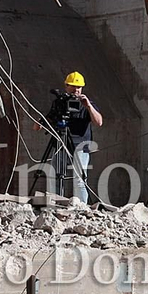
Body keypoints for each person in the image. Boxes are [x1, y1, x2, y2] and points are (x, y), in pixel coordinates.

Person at [37, 71, 104, 204]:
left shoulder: (86, 104)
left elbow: (99, 122)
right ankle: (53, 203)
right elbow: (47, 119)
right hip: (61, 143)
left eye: (78, 87)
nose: (75, 90)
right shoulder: (59, 103)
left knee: (79, 179)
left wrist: (88, 106)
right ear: (66, 86)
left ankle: (81, 207)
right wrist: (40, 122)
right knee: (54, 175)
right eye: (72, 86)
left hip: (80, 145)